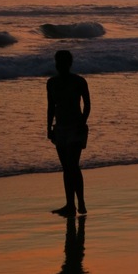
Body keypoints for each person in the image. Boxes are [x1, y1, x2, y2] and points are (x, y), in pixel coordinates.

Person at [47, 50, 90, 216]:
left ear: (69, 64)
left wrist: (82, 123)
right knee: (67, 167)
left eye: (63, 63)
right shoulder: (51, 83)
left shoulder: (79, 81)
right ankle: (70, 205)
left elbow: (87, 105)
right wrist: (49, 128)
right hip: (60, 129)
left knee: (73, 165)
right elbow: (51, 107)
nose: (60, 66)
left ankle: (80, 202)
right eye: (58, 63)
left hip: (76, 128)